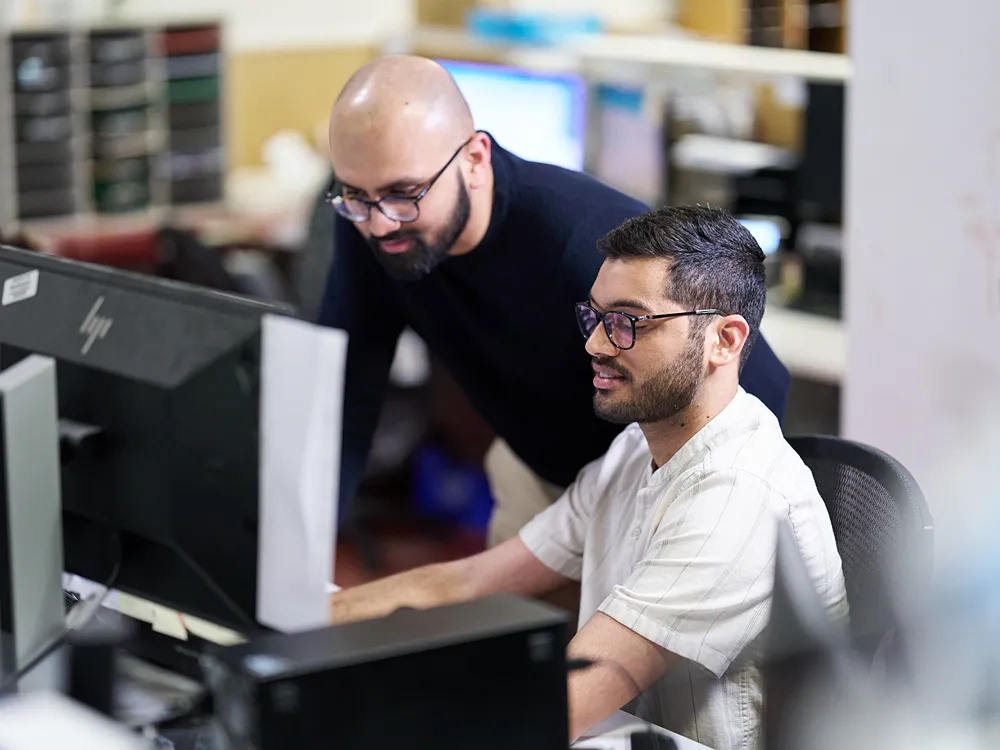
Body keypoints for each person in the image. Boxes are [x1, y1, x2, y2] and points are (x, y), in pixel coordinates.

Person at [328, 205, 847, 749]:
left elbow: (561, 705)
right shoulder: (635, 449)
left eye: (628, 323)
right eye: (594, 316)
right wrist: (302, 627)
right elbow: (467, 583)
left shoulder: (736, 497)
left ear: (725, 340)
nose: (595, 344)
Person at [319, 55, 792, 548]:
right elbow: (345, 386)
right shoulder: (370, 226)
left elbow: (759, 383)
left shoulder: (582, 242)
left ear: (474, 159)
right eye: (356, 196)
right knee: (504, 620)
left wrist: (681, 523)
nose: (379, 223)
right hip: (539, 468)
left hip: (643, 489)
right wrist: (298, 565)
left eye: (405, 193)